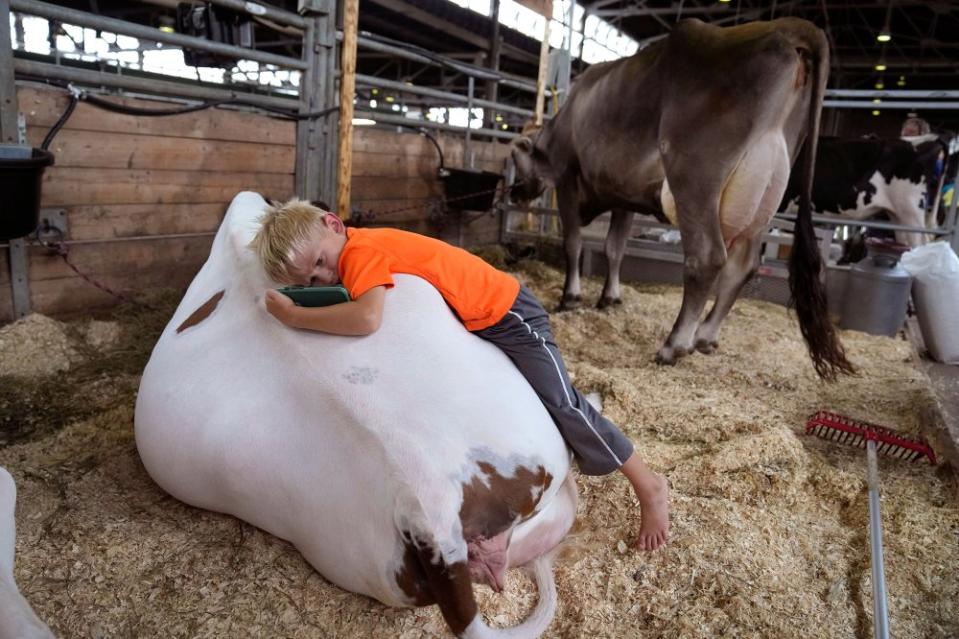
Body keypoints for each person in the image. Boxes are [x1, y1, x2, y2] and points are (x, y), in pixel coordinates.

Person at [250, 198, 669, 550]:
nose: (326, 276)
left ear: (334, 224)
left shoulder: (360, 252)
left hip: (508, 313)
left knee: (563, 402)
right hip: (485, 320)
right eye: (311, 280)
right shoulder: (356, 247)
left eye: (321, 262)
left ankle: (648, 487)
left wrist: (297, 314)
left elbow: (367, 318)